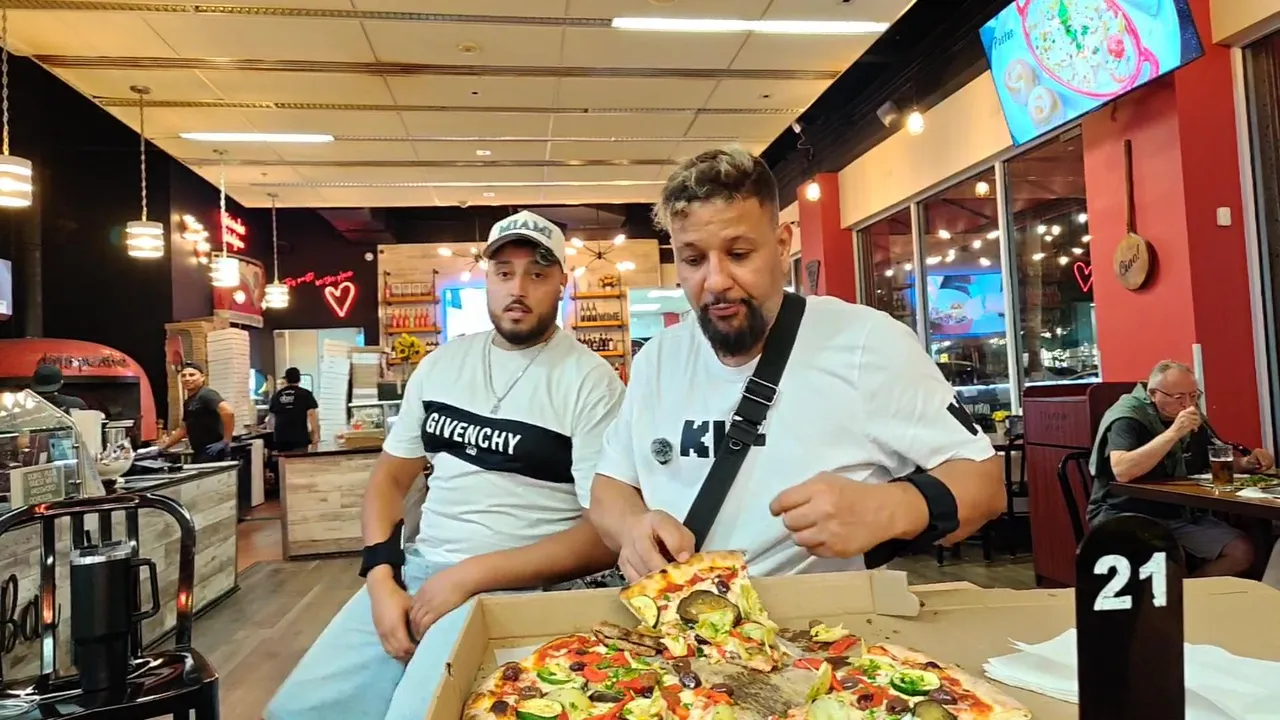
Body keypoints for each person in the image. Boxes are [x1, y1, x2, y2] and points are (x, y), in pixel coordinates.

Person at [265, 210, 625, 720]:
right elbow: (389, 479)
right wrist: (381, 577)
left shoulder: (590, 382)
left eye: (538, 274)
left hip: (519, 589)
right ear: (487, 279)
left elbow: (606, 534)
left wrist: (470, 576)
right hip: (419, 571)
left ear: (561, 284)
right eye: (504, 272)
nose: (518, 288)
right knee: (295, 711)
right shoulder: (442, 365)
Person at [587, 147, 1006, 580]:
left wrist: (893, 508)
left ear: (782, 244)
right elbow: (610, 486)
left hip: (822, 620)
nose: (715, 281)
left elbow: (985, 484)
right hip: (680, 618)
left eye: (739, 253)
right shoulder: (658, 359)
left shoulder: (868, 342)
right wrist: (632, 527)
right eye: (693, 260)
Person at [1087, 360, 1270, 577]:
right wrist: (1174, 433)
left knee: (1241, 552)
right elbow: (1122, 470)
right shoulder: (1128, 416)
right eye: (1179, 397)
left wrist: (1248, 463)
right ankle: (1172, 595)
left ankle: (1187, 592)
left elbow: (1213, 461)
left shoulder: (1192, 418)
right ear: (1153, 394)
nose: (1188, 404)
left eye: (1193, 396)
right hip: (1124, 511)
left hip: (1178, 512)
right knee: (1168, 557)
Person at [157, 361, 235, 463]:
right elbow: (183, 429)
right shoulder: (189, 401)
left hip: (212, 451)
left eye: (192, 375)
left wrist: (226, 440)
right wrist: (163, 447)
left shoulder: (206, 394)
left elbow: (228, 412)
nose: (187, 379)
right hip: (200, 451)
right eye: (183, 376)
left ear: (202, 377)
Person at [267, 367, 319, 452]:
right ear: (299, 379)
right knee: (299, 459)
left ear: (286, 379)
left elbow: (272, 416)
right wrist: (315, 434)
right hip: (299, 436)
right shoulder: (305, 394)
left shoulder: (277, 395)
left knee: (284, 459)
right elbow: (311, 414)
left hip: (281, 436)